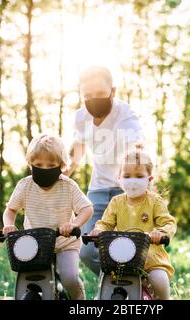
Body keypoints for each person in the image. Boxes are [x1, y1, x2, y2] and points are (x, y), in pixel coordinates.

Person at [64, 65, 145, 275]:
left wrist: (135, 179)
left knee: (130, 249)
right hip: (97, 191)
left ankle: (133, 288)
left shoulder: (125, 114)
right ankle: (117, 281)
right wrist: (63, 174)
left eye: (100, 94)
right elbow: (78, 148)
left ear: (113, 91)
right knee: (86, 250)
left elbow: (135, 147)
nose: (94, 99)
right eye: (88, 95)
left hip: (126, 190)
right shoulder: (81, 117)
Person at [2, 133, 94, 300]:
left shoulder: (68, 185)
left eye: (51, 164)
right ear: (30, 164)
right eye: (38, 164)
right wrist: (8, 224)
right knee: (27, 280)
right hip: (35, 244)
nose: (44, 169)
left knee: (70, 278)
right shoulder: (25, 185)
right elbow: (10, 210)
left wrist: (74, 225)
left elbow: (87, 208)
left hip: (65, 242)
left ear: (61, 165)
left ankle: (79, 300)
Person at [89, 144, 177, 300]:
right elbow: (105, 223)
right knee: (105, 288)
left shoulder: (154, 201)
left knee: (160, 281)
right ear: (119, 179)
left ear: (149, 180)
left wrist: (161, 233)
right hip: (121, 259)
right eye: (127, 176)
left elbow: (168, 222)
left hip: (150, 260)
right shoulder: (116, 202)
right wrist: (98, 230)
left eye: (138, 176)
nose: (132, 181)